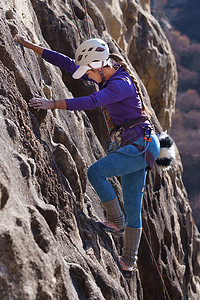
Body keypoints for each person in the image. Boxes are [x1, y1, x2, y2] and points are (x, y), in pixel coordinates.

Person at [14, 35, 160, 278]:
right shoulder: (106, 75)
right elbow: (69, 64)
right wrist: (31, 46)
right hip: (139, 144)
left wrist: (52, 104)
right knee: (134, 205)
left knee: (96, 172)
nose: (87, 78)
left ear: (97, 67)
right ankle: (128, 262)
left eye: (89, 73)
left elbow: (93, 102)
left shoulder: (119, 84)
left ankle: (115, 220)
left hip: (140, 144)